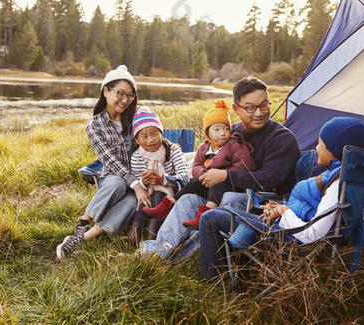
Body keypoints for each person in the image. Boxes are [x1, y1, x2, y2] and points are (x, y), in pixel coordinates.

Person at [139, 76, 300, 260]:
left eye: (264, 105)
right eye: (250, 107)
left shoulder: (282, 139)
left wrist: (225, 176)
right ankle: (155, 253)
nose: (259, 112)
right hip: (220, 192)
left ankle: (180, 259)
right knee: (189, 199)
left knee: (228, 199)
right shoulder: (231, 131)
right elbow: (209, 159)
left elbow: (269, 179)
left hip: (263, 203)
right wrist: (205, 174)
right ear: (236, 109)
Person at [199, 116, 364, 281]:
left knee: (210, 218)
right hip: (289, 229)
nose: (317, 148)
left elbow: (313, 235)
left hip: (290, 239)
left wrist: (284, 211)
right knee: (222, 213)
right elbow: (316, 214)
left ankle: (214, 282)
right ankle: (237, 276)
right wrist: (280, 208)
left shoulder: (336, 186)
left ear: (334, 150)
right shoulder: (347, 178)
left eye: (321, 144)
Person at [56, 65, 150, 260]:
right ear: (106, 91)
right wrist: (134, 183)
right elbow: (111, 161)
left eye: (130, 95)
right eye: (120, 94)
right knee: (117, 182)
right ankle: (84, 220)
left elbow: (152, 139)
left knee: (134, 201)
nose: (125, 100)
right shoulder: (95, 125)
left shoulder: (136, 118)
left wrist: (141, 183)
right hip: (112, 178)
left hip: (138, 178)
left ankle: (82, 239)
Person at [142, 100, 256, 229]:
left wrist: (224, 174)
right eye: (217, 129)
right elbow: (196, 166)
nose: (222, 133)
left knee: (217, 188)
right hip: (207, 181)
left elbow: (246, 165)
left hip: (228, 183)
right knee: (191, 185)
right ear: (207, 132)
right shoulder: (204, 147)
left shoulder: (234, 145)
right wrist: (203, 174)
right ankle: (167, 206)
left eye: (226, 129)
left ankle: (204, 215)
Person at [127, 106, 189, 246]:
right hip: (149, 193)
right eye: (144, 136)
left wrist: (163, 179)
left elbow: (185, 178)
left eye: (155, 134)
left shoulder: (173, 150)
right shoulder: (137, 157)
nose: (151, 140)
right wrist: (143, 182)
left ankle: (152, 238)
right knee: (144, 201)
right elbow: (138, 182)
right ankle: (134, 237)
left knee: (159, 197)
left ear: (161, 133)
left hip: (172, 194)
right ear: (137, 140)